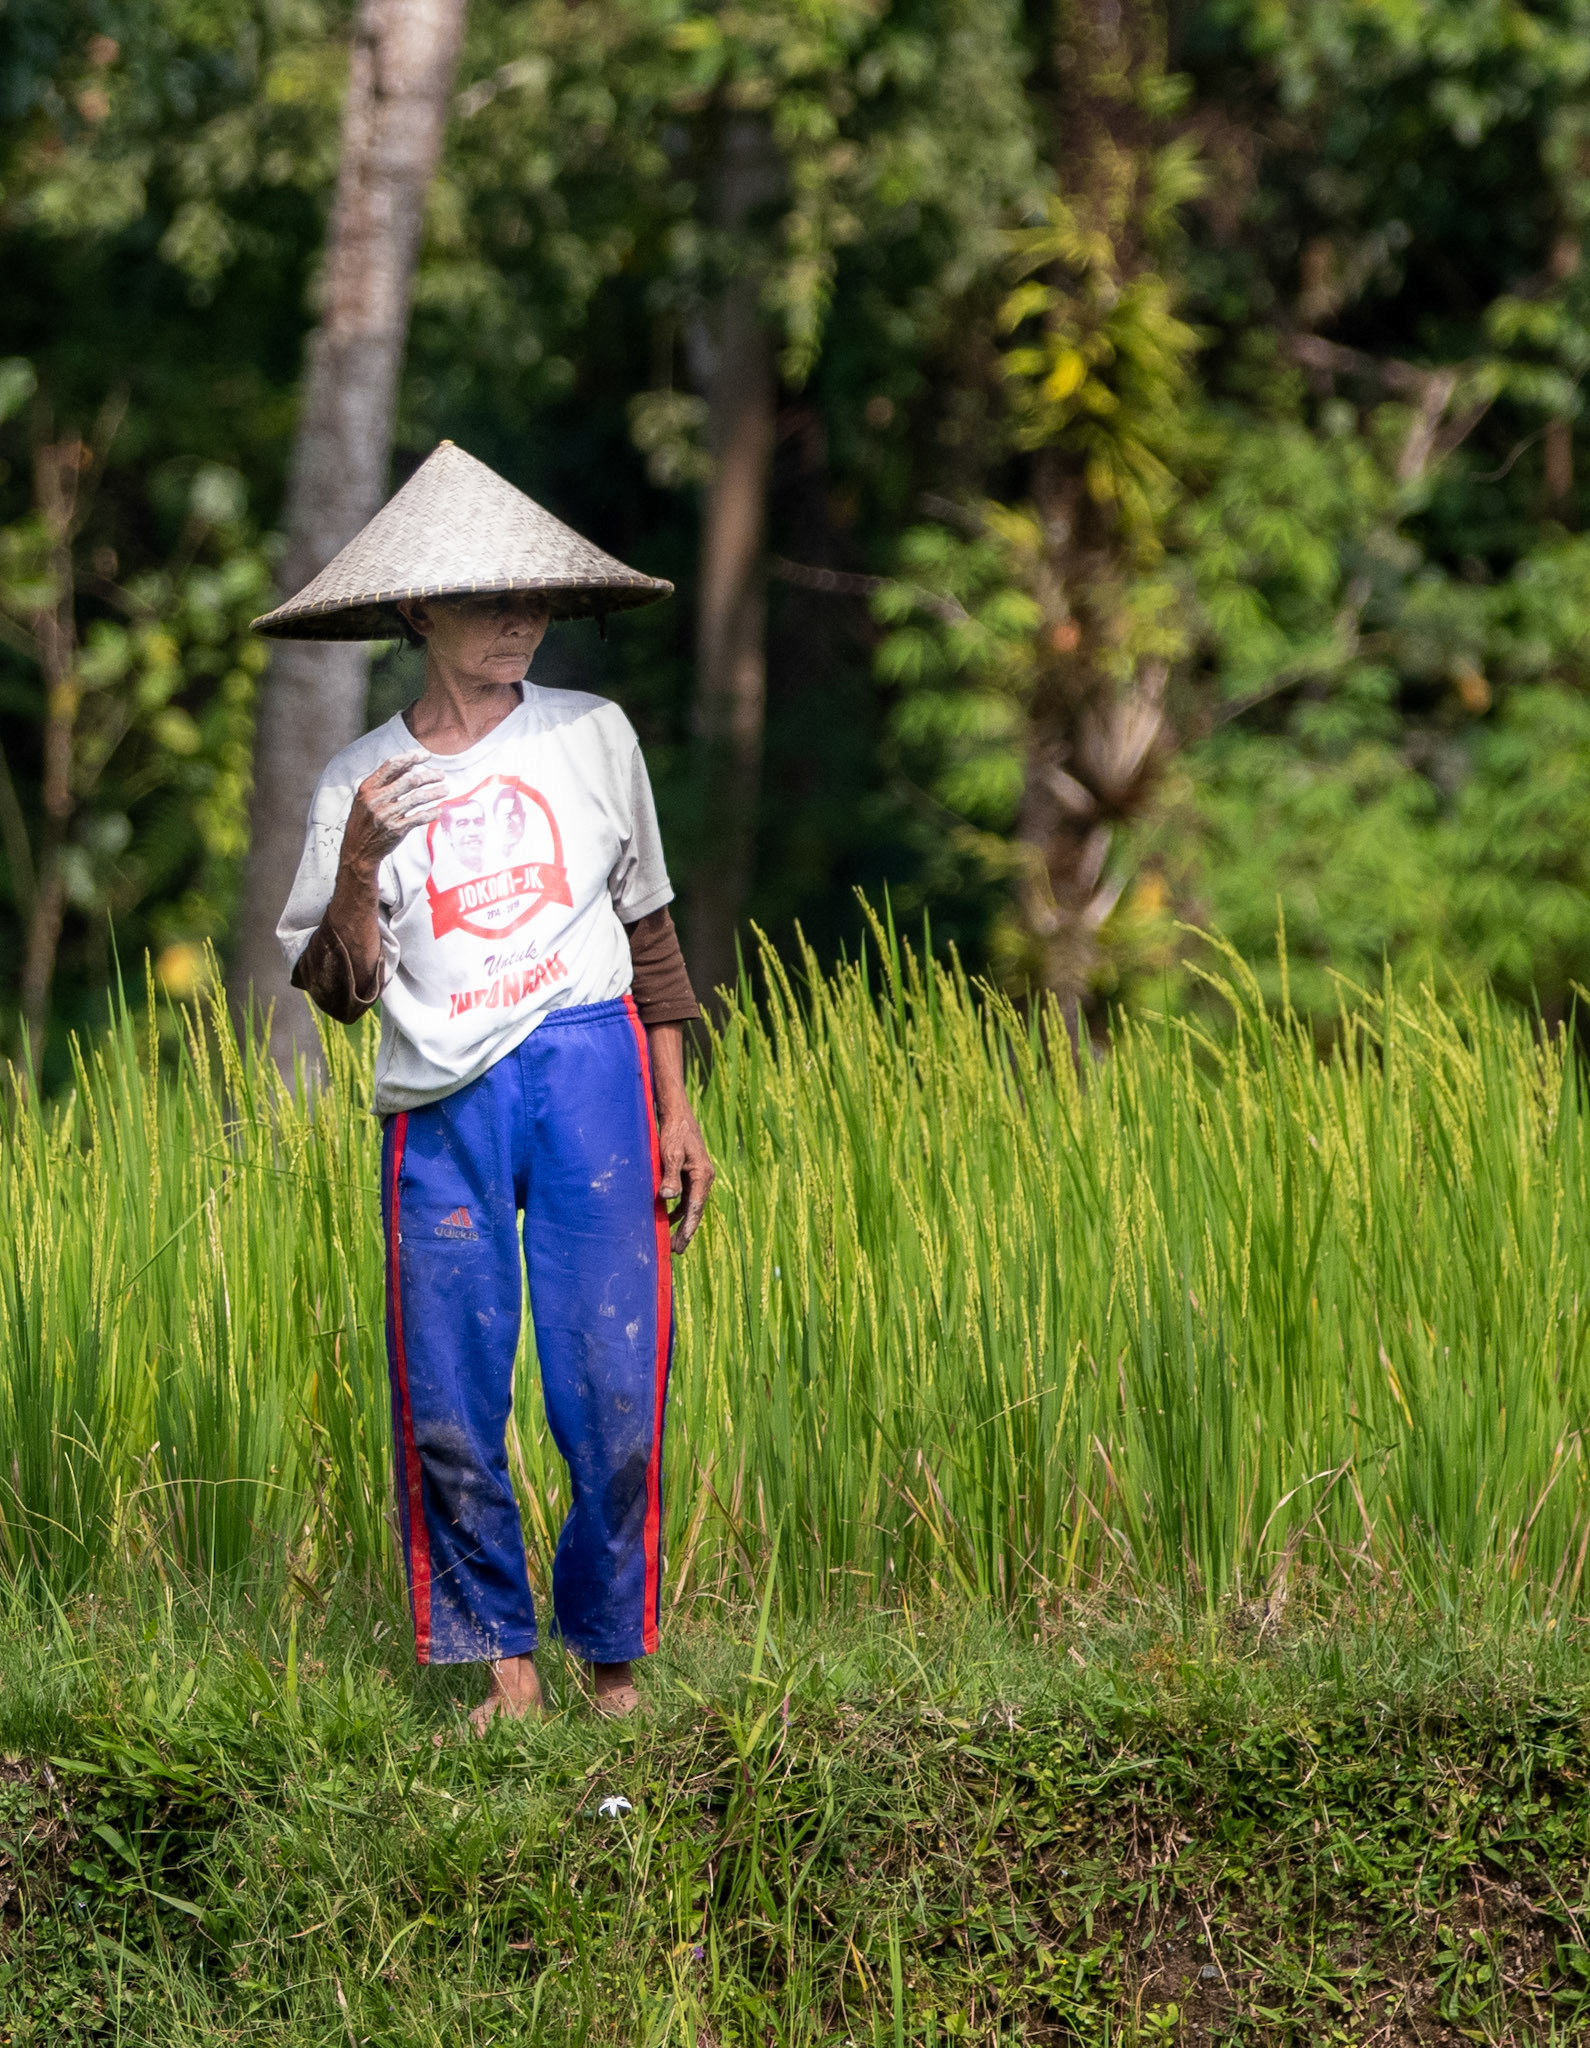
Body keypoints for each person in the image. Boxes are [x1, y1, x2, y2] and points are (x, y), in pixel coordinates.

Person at [256, 441, 714, 1730]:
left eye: (534, 600)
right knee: (452, 1396)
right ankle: (497, 1659)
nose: (519, 621)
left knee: (614, 1388)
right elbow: (339, 992)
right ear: (418, 611)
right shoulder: (359, 782)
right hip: (443, 1103)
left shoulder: (593, 735)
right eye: (487, 599)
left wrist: (677, 1111)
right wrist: (356, 868)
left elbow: (651, 931)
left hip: (590, 1068)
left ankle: (609, 1653)